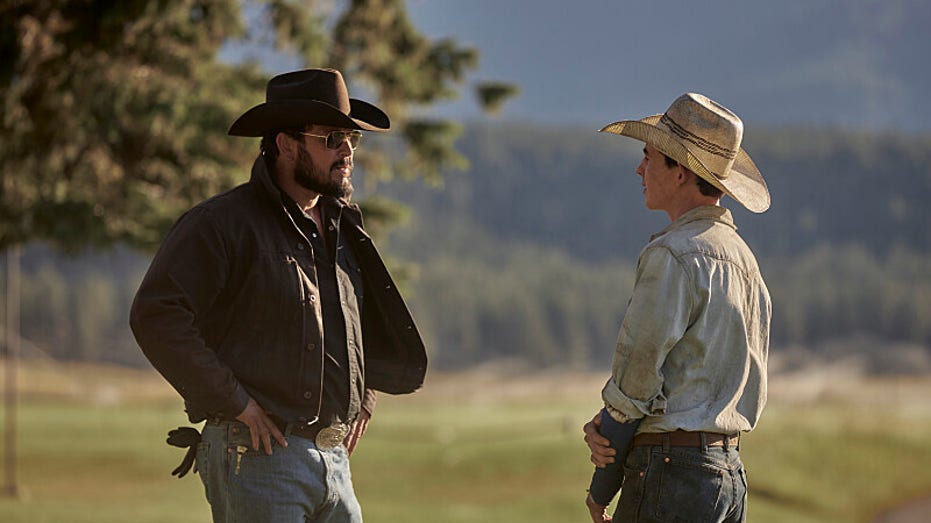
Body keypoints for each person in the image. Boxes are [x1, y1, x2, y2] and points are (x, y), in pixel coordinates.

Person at [130, 68, 427, 523]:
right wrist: (237, 403)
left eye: (350, 138)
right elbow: (156, 315)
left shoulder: (342, 226)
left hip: (335, 463)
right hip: (257, 457)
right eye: (331, 138)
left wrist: (364, 395)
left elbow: (360, 317)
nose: (346, 150)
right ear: (286, 144)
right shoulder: (222, 223)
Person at [582, 93, 771, 522]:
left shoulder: (673, 254)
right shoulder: (746, 263)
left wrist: (601, 486)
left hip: (672, 474)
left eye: (648, 157)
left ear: (680, 171)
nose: (639, 168)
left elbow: (636, 381)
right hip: (729, 475)